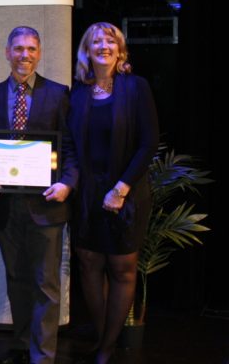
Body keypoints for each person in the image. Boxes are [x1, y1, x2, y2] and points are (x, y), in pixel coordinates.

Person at [0, 26, 78, 364]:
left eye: (32, 49)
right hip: (6, 206)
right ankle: (21, 345)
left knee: (46, 285)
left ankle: (43, 356)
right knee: (16, 280)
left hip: (47, 205)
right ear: (7, 52)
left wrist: (67, 182)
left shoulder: (59, 94)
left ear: (39, 52)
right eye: (18, 48)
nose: (25, 55)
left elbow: (71, 148)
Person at [67, 22, 158, 364]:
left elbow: (149, 143)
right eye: (96, 41)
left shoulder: (136, 88)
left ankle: (107, 347)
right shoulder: (77, 94)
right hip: (87, 194)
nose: (104, 45)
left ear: (120, 50)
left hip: (127, 191)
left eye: (111, 40)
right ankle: (104, 334)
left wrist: (120, 189)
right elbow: (70, 146)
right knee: (89, 262)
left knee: (121, 268)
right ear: (86, 51)